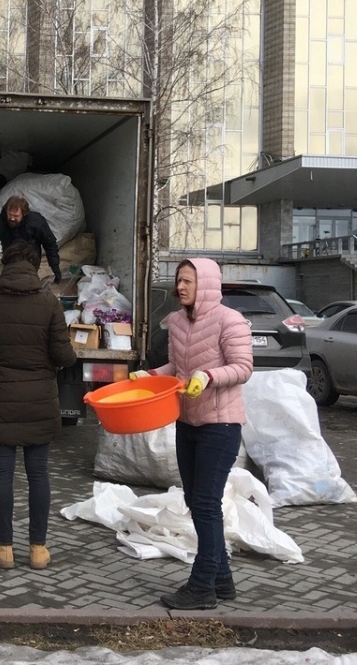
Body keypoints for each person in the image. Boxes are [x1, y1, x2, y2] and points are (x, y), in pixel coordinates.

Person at [134, 258, 253, 610]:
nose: (181, 286)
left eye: (188, 281)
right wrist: (152, 375)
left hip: (221, 424)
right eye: (179, 280)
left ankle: (201, 587)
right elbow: (177, 368)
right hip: (187, 422)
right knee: (197, 502)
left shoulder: (229, 321)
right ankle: (222, 580)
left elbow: (243, 367)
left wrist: (208, 376)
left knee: (205, 504)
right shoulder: (177, 323)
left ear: (207, 284)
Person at [0, 240, 76, 571]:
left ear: (6, 267)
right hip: (39, 400)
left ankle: (3, 547)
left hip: (1, 397)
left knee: (2, 472)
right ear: (35, 267)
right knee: (39, 473)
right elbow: (63, 356)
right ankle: (38, 549)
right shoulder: (50, 305)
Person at [0, 195, 63, 283]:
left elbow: (50, 244)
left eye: (16, 215)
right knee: (9, 285)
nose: (12, 218)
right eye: (9, 214)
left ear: (24, 213)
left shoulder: (36, 222)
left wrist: (55, 267)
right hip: (10, 261)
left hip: (31, 262)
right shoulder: (1, 221)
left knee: (28, 285)